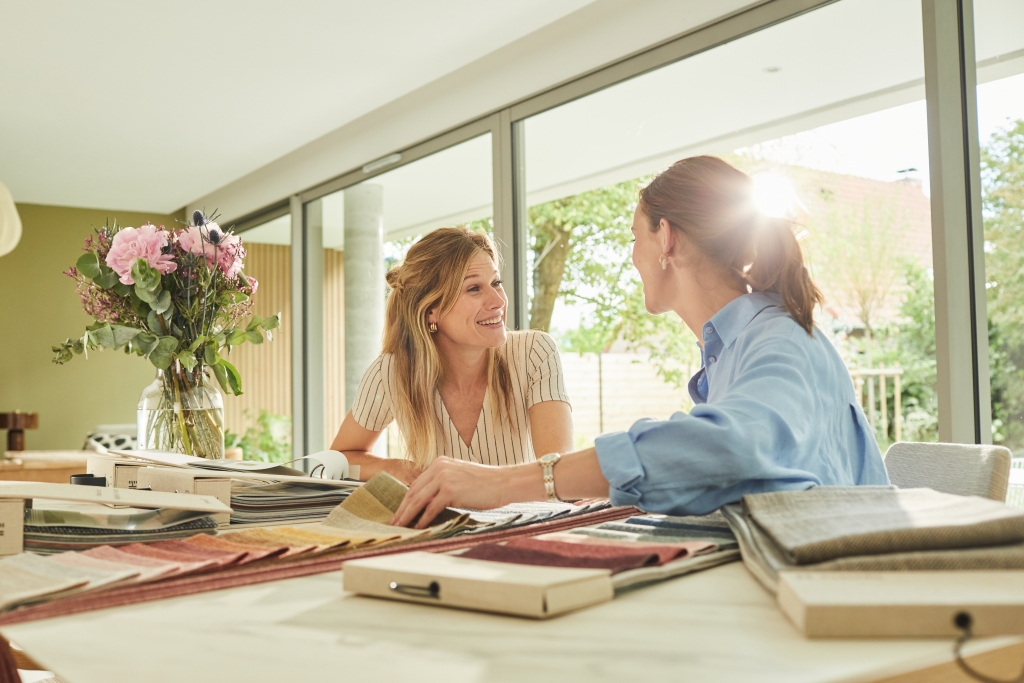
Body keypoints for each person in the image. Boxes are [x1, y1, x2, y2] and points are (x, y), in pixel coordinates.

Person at [393, 156, 890, 528]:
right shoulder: (734, 351)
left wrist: (502, 482)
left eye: (635, 236)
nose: (633, 256)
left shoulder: (780, 340)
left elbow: (725, 447)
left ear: (666, 238)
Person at [330, 227, 574, 483]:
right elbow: (340, 458)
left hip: (526, 521)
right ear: (431, 310)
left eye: (496, 283)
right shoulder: (392, 372)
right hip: (439, 524)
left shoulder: (535, 352)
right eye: (473, 289)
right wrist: (395, 469)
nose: (498, 301)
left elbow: (558, 473)